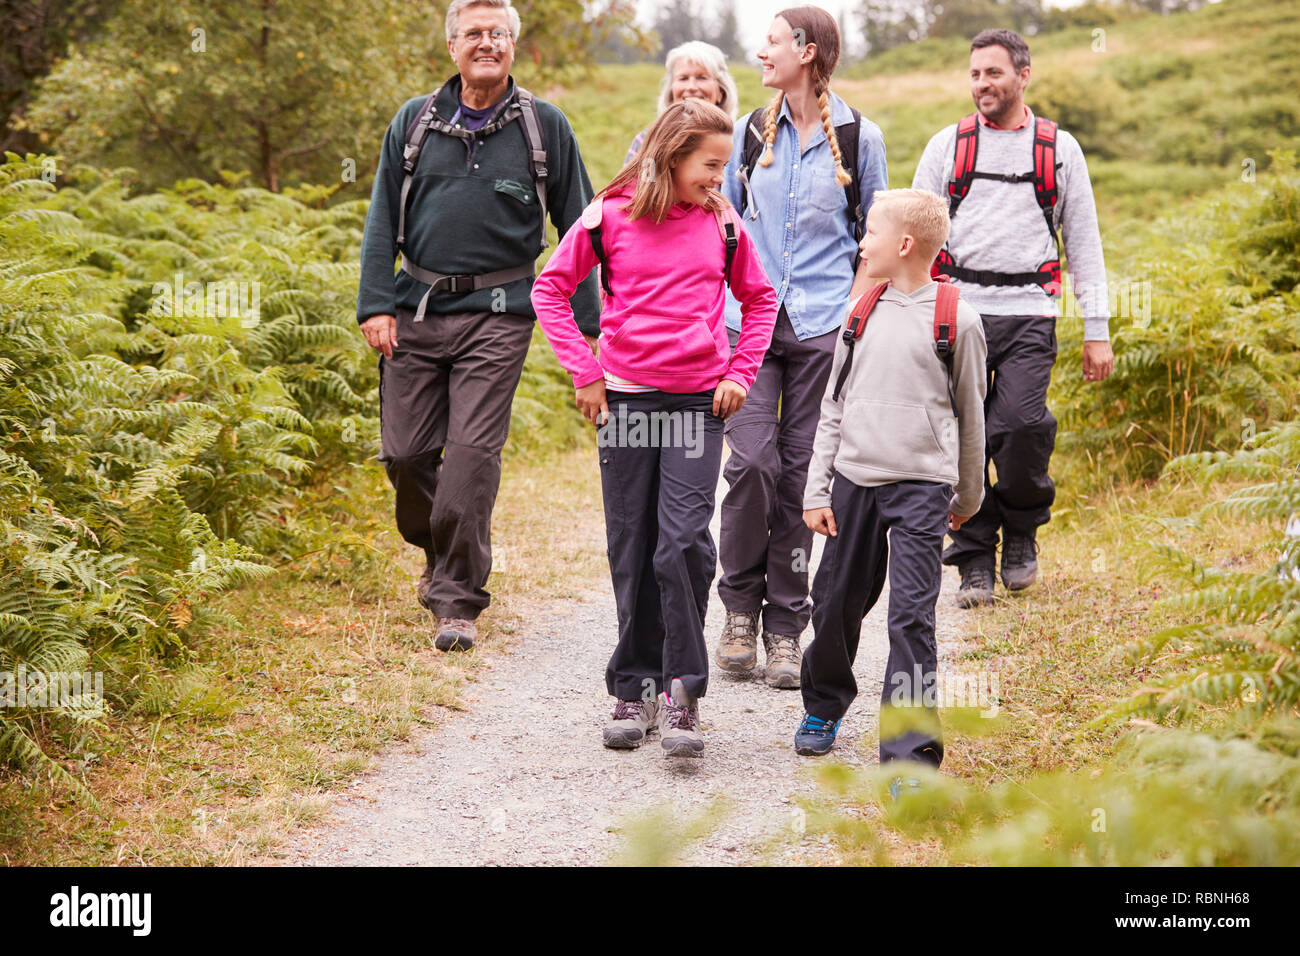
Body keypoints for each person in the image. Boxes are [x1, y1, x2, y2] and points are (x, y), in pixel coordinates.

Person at [532, 100, 777, 757]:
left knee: (683, 543)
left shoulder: (723, 224)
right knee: (634, 544)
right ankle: (632, 686)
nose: (720, 178)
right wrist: (584, 373)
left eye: (725, 165)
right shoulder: (606, 217)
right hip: (628, 406)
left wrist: (740, 373)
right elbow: (549, 290)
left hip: (698, 405)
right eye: (710, 165)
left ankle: (681, 692)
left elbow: (760, 299)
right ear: (672, 157)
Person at [356, 0, 600, 651]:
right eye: (474, 34)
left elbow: (581, 228)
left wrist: (590, 330)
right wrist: (377, 302)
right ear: (452, 47)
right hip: (415, 309)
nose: (486, 43)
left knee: (470, 459)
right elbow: (382, 217)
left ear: (513, 46)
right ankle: (438, 550)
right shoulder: (414, 122)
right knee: (405, 455)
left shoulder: (544, 127)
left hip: (499, 316)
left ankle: (457, 599)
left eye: (498, 33)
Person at [715, 6, 888, 689]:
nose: (763, 52)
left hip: (823, 326)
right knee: (752, 464)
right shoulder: (746, 133)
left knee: (800, 480)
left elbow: (878, 235)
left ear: (807, 51)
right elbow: (722, 223)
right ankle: (737, 612)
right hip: (749, 324)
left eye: (775, 42)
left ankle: (786, 628)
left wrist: (856, 313)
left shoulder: (859, 135)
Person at [912, 28, 1114, 608]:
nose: (982, 84)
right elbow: (916, 236)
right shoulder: (947, 146)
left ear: (1023, 75)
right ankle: (974, 560)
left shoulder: (1059, 148)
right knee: (962, 437)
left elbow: (1084, 242)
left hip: (1030, 312)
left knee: (1020, 429)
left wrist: (1096, 330)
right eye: (975, 74)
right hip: (957, 313)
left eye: (993, 73)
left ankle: (1021, 532)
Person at [795, 189, 987, 780]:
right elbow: (833, 405)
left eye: (870, 233)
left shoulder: (958, 318)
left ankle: (909, 757)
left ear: (904, 244)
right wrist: (817, 488)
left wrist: (968, 496)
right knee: (834, 603)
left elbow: (971, 415)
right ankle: (823, 705)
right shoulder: (859, 311)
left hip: (923, 490)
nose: (861, 242)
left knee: (911, 620)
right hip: (855, 482)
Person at [623, 41, 740, 166]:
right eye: (683, 78)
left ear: (721, 92)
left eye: (702, 78)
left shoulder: (739, 141)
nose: (691, 87)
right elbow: (634, 185)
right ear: (671, 91)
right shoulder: (647, 142)